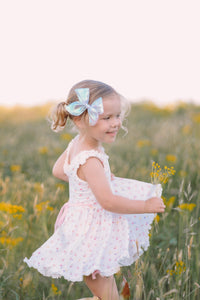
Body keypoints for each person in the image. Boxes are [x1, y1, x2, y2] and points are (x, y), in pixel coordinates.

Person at [24, 79, 165, 300]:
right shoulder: (90, 158)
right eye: (106, 118)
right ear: (81, 120)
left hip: (82, 227)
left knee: (106, 296)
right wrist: (145, 205)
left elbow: (59, 170)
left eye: (117, 116)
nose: (116, 123)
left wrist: (86, 182)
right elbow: (108, 201)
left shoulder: (77, 144)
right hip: (91, 236)